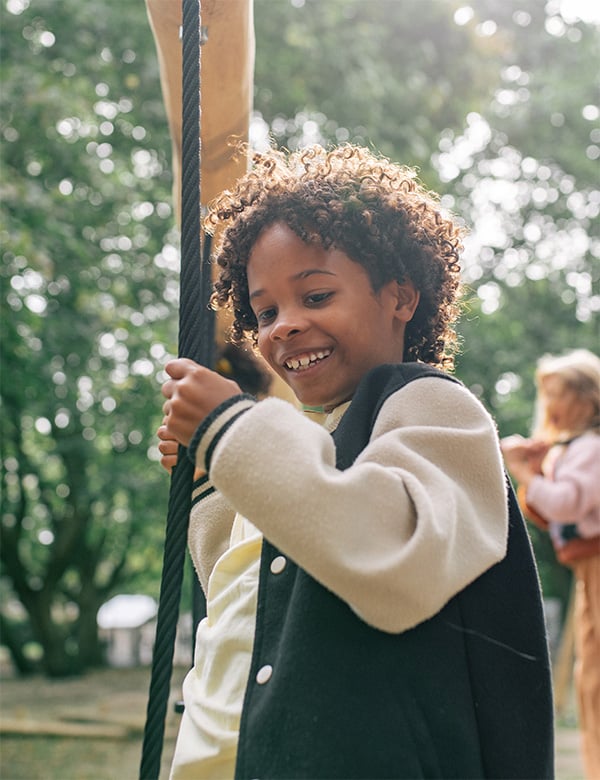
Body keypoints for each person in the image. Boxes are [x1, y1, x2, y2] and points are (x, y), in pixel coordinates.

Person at [158, 143, 553, 779]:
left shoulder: (429, 409)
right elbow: (245, 604)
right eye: (265, 311)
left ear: (400, 297)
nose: (282, 326)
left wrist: (233, 431)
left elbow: (388, 560)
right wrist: (213, 479)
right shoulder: (296, 437)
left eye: (314, 297)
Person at [502, 348, 600, 780]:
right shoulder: (570, 450)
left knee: (595, 674)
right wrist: (538, 470)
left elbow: (568, 502)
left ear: (586, 398)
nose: (551, 407)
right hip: (586, 568)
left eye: (558, 395)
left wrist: (525, 473)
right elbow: (548, 515)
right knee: (589, 674)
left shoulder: (591, 447)